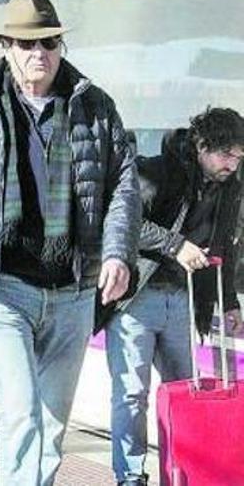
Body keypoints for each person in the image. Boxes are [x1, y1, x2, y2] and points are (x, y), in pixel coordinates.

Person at [0, 0, 139, 486]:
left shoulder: (94, 106)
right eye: (25, 44)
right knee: (22, 408)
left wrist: (116, 254)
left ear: (60, 46)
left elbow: (123, 186)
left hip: (72, 287)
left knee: (52, 419)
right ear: (6, 47)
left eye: (47, 43)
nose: (37, 54)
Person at [102, 107, 244, 486]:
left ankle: (182, 471)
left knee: (184, 389)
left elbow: (225, 246)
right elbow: (124, 221)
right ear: (201, 146)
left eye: (239, 156)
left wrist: (229, 301)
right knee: (132, 394)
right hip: (137, 298)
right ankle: (130, 476)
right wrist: (176, 244)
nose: (232, 164)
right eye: (226, 154)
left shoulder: (230, 185)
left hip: (184, 296)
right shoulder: (158, 171)